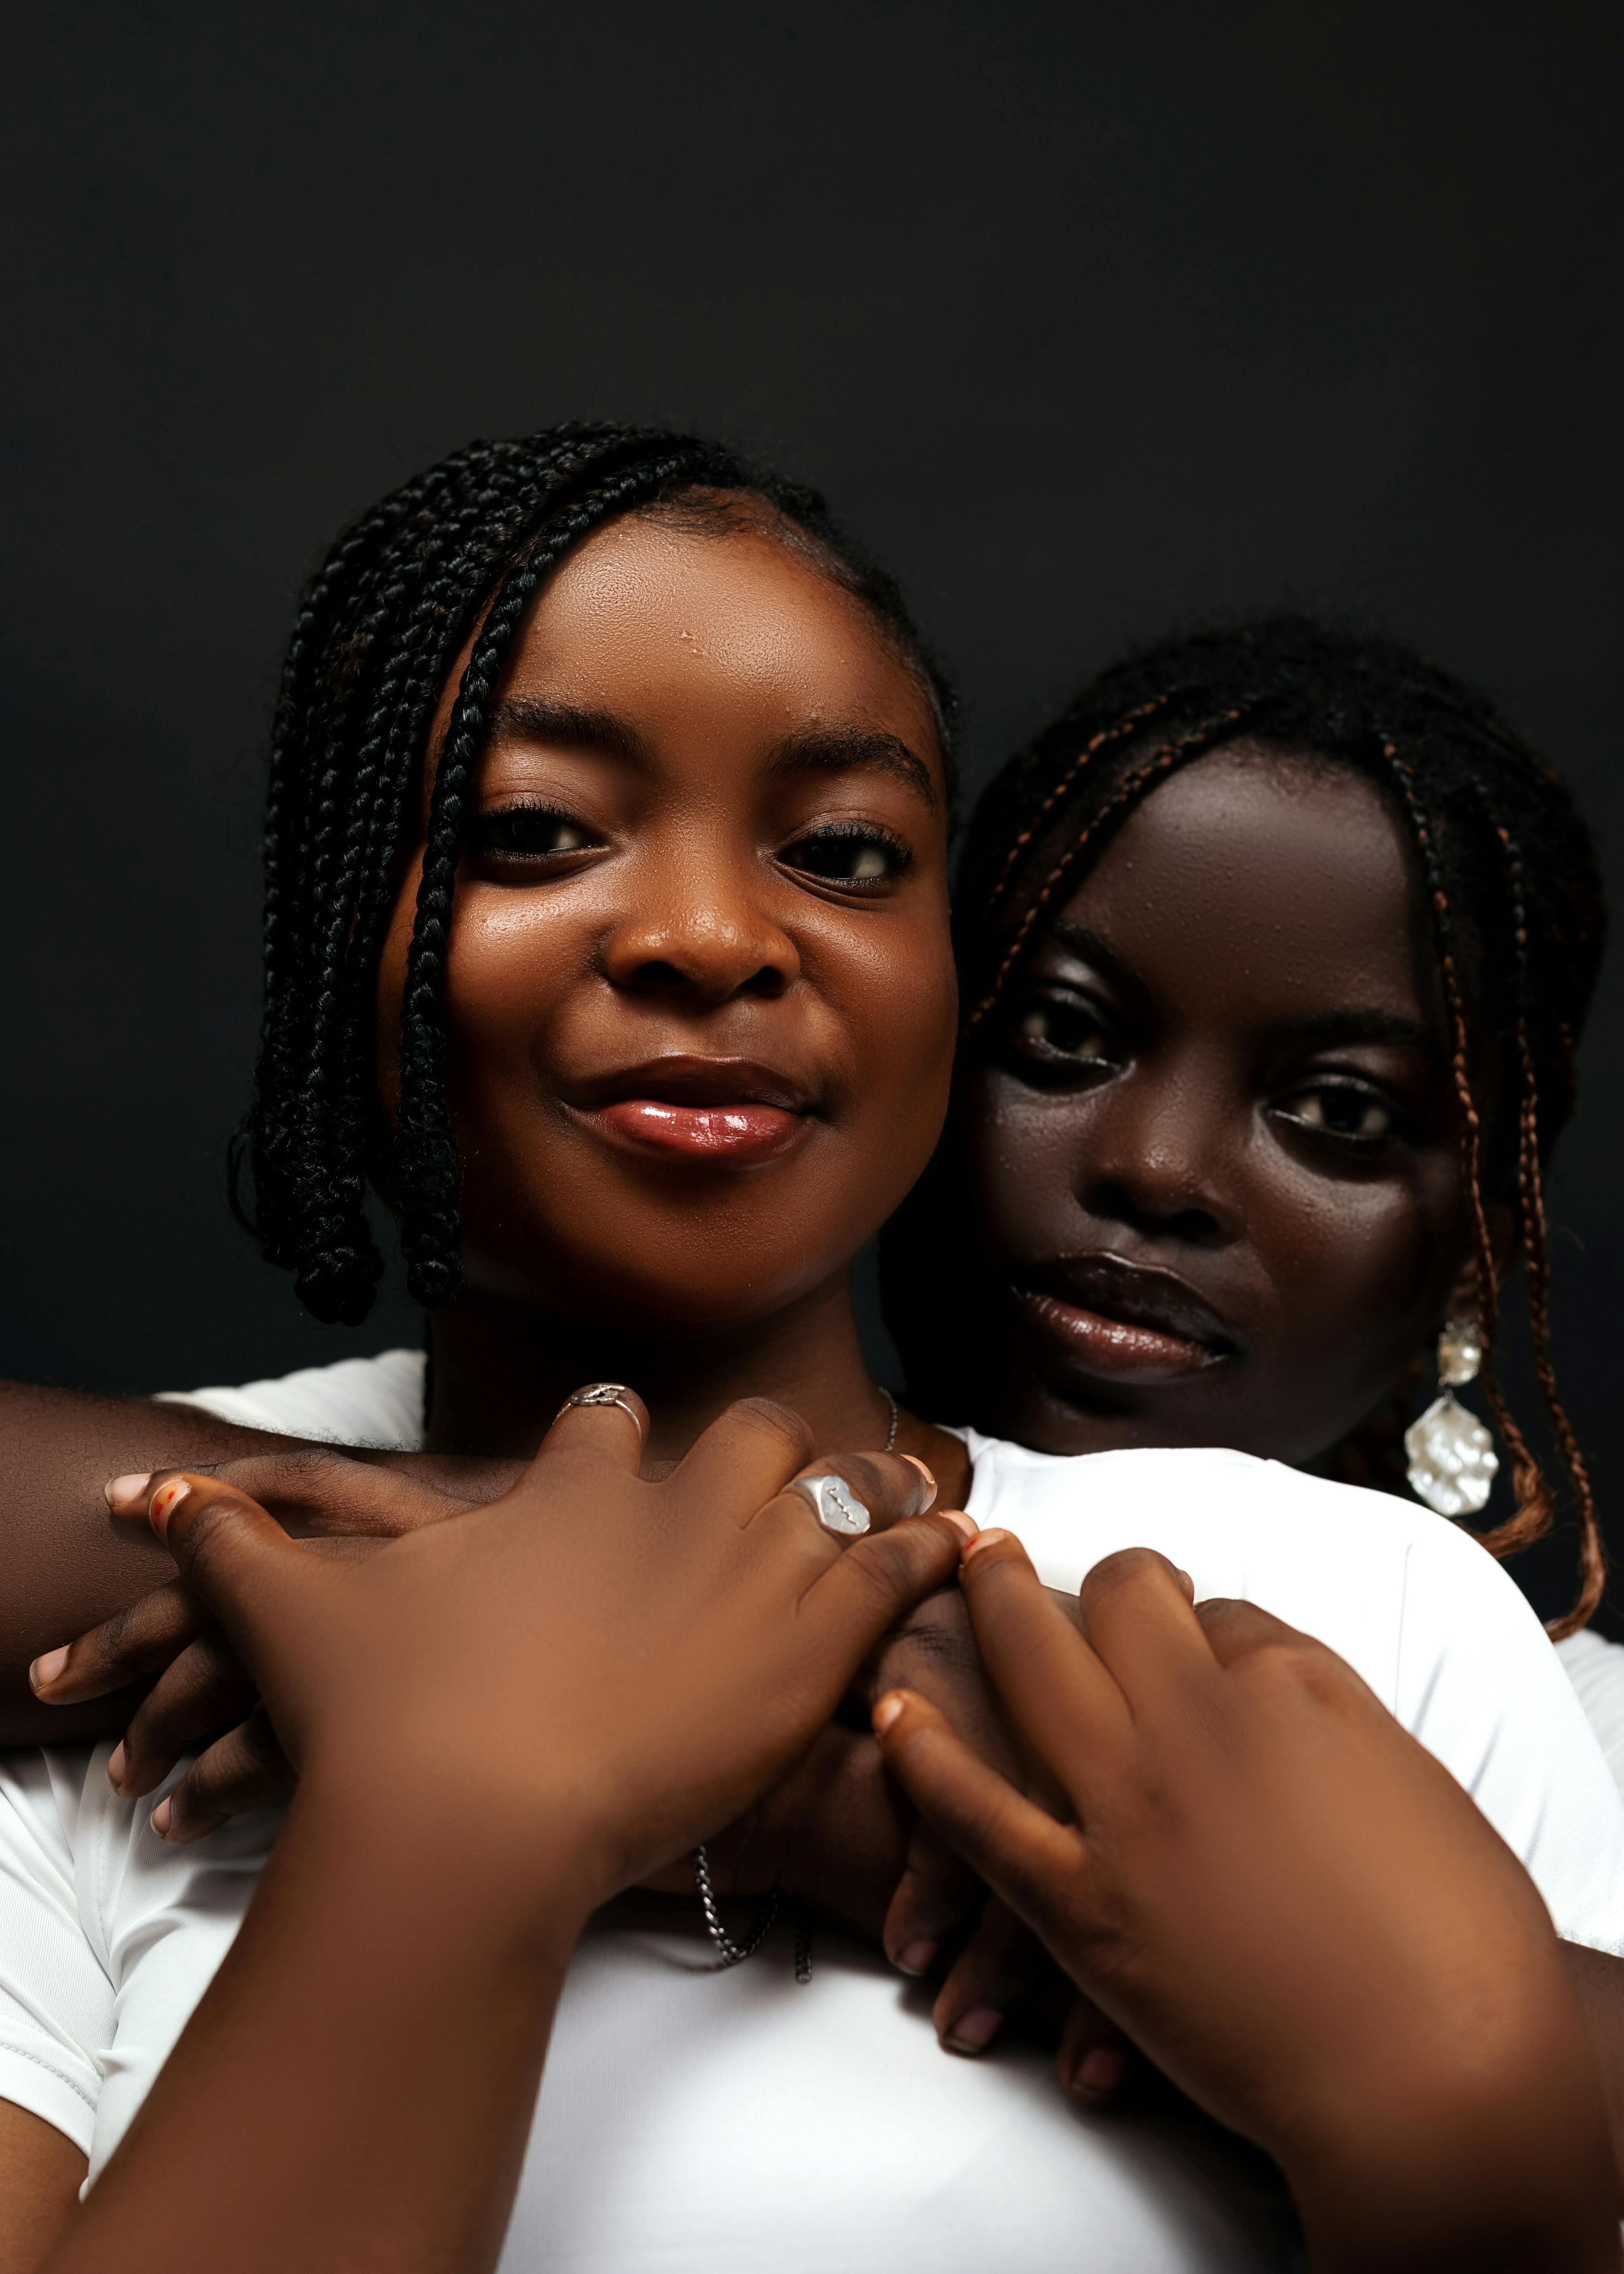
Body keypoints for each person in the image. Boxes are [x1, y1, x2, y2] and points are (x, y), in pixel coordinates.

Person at [0, 430, 1622, 2267]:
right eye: (535, 831)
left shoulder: (1354, 1610)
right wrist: (460, 1820)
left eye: (843, 853)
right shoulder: (97, 1690)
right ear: (336, 950)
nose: (707, 936)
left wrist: (1468, 2135)